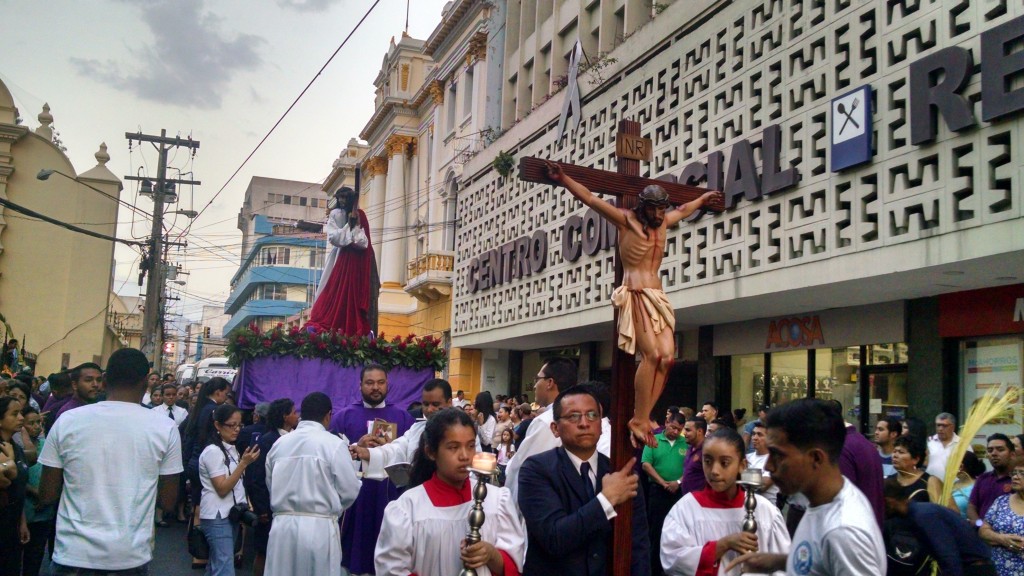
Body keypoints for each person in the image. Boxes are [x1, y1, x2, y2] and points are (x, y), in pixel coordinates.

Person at [543, 161, 721, 446]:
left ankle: (644, 415)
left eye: (663, 208)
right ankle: (638, 418)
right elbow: (591, 198)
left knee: (668, 357)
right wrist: (564, 178)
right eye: (655, 209)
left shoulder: (663, 223)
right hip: (636, 293)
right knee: (652, 355)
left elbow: (684, 210)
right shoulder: (626, 220)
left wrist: (701, 198)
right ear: (644, 207)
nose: (660, 214)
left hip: (657, 295)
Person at [38, 348, 182, 574]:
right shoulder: (165, 427)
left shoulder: (68, 421)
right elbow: (168, 501)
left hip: (73, 553)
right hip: (129, 556)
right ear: (147, 383)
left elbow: (47, 494)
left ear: (104, 381)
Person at [724, 399, 885, 576]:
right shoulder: (824, 502)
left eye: (777, 455)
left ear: (816, 458)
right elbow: (824, 562)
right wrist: (781, 561)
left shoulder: (843, 531)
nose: (769, 466)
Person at [375, 408, 526, 575]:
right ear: (431, 452)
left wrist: (491, 555)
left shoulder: (496, 500)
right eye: (453, 447)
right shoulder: (408, 509)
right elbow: (392, 569)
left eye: (470, 446)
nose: (464, 456)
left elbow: (514, 565)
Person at [517, 386, 642, 576]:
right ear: (555, 428)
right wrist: (606, 501)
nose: (585, 423)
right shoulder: (536, 470)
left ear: (602, 424)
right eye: (573, 416)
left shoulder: (619, 473)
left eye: (592, 415)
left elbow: (639, 545)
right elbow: (554, 537)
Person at [661, 427, 790, 576]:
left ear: (742, 465)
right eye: (707, 461)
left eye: (725, 463)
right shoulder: (686, 509)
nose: (714, 471)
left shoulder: (765, 511)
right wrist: (721, 545)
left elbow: (783, 566)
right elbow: (672, 560)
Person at [329, 363, 414, 576]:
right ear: (360, 386)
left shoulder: (403, 417)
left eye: (380, 382)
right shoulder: (344, 416)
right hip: (356, 496)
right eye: (369, 383)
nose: (375, 387)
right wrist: (357, 448)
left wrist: (389, 451)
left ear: (387, 384)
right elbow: (332, 459)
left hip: (391, 494)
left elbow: (413, 458)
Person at [264, 392, 362, 576]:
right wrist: (333, 507)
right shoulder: (333, 444)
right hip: (319, 527)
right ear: (328, 416)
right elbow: (349, 489)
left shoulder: (279, 444)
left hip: (282, 526)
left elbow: (271, 483)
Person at [504, 357, 580, 505]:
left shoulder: (546, 421)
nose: (534, 386)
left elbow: (522, 469)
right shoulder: (579, 417)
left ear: (550, 383)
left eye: (537, 379)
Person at [350, 379, 457, 483]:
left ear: (449, 402)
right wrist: (365, 452)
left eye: (435, 404)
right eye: (425, 404)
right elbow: (395, 450)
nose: (429, 409)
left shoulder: (462, 431)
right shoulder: (417, 429)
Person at [884, 476, 995, 576]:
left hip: (975, 570)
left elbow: (949, 557)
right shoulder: (914, 515)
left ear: (890, 502)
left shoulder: (924, 515)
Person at [305, 186, 378, 335]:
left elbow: (364, 242)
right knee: (332, 289)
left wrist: (355, 224)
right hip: (340, 258)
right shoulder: (335, 214)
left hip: (357, 263)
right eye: (340, 198)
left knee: (353, 295)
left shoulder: (360, 215)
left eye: (345, 197)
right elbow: (334, 238)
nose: (342, 201)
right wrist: (348, 226)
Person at [199, 404, 260, 576]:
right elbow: (222, 488)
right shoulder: (213, 451)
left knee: (217, 564)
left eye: (239, 425)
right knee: (224, 567)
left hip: (229, 514)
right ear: (217, 425)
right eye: (231, 425)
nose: (236, 430)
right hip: (217, 516)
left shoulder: (229, 448)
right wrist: (243, 464)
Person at [245, 398, 297, 576]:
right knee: (264, 551)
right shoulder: (269, 440)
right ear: (284, 416)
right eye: (293, 412)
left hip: (287, 507)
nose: (297, 416)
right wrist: (261, 508)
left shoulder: (293, 438)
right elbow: (256, 477)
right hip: (269, 506)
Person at [643, 412, 688, 576]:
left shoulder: (685, 443)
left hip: (678, 492)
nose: (676, 432)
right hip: (657, 491)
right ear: (666, 422)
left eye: (679, 429)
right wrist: (662, 482)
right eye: (673, 427)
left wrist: (678, 482)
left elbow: (690, 468)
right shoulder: (653, 439)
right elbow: (646, 464)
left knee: (677, 532)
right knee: (657, 531)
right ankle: (653, 569)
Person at [19, 404, 53, 576]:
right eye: (31, 423)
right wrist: (34, 492)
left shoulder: (46, 444)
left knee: (36, 554)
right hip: (23, 508)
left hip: (43, 510)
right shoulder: (16, 448)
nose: (36, 426)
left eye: (38, 422)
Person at [0, 396, 29, 576]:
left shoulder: (15, 446)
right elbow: (9, 476)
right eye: (15, 414)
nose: (21, 418)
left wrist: (22, 522)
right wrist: (9, 462)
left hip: (13, 521)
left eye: (21, 413)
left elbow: (19, 486)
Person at [980, 461, 1024, 576]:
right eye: (1014, 473)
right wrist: (1001, 538)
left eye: (1022, 473)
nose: (1015, 476)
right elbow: (983, 530)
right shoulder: (1001, 501)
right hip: (999, 569)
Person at [969, 433, 1015, 525]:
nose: (994, 453)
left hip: (1008, 535)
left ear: (1012, 454)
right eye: (990, 450)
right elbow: (972, 506)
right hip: (981, 534)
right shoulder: (982, 478)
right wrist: (980, 524)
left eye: (1000, 449)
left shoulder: (1018, 480)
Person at [888, 435, 941, 503]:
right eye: (894, 451)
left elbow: (940, 510)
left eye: (901, 452)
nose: (895, 455)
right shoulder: (889, 482)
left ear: (915, 459)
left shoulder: (929, 482)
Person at [746, 421, 780, 506]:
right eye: (753, 434)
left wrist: (741, 474)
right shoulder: (747, 457)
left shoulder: (774, 460)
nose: (754, 437)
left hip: (767, 511)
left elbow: (762, 485)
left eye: (759, 435)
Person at [949, 451, 985, 520]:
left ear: (961, 466)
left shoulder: (978, 487)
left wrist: (978, 525)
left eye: (950, 463)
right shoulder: (951, 485)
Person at [679, 417, 708, 497]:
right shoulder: (690, 448)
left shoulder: (707, 451)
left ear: (699, 431)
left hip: (700, 502)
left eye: (688, 430)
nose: (684, 433)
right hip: (687, 499)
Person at [926, 412, 960, 481]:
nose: (940, 429)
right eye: (938, 425)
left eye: (944, 426)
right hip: (932, 485)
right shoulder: (929, 442)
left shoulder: (962, 443)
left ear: (952, 427)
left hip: (955, 486)